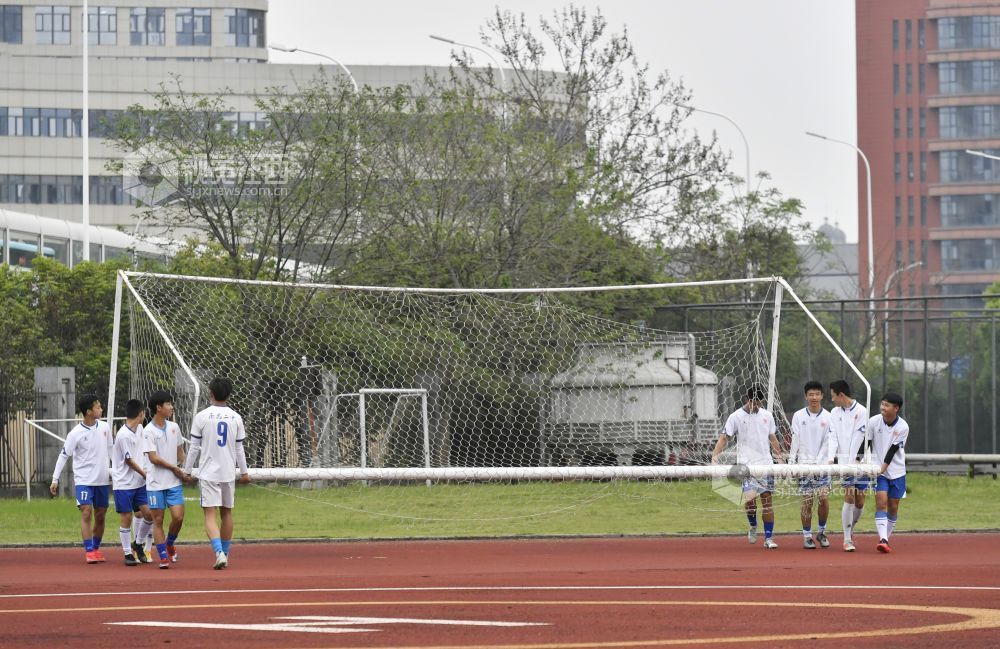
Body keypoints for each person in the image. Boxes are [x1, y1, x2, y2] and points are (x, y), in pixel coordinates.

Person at [183, 377, 250, 569]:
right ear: (229, 395)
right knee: (227, 513)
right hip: (228, 472)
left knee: (210, 515)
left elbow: (194, 448)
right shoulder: (236, 417)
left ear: (211, 393)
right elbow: (239, 449)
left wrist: (187, 471)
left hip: (208, 473)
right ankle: (225, 553)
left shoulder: (202, 416)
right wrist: (244, 472)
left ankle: (219, 552)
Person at [711, 386, 784, 549]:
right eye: (753, 402)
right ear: (747, 399)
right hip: (746, 466)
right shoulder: (735, 416)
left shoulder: (767, 416)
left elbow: (773, 438)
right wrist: (715, 456)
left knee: (767, 501)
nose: (755, 406)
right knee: (750, 500)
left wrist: (779, 457)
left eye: (759, 403)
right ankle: (752, 526)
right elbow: (724, 438)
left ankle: (768, 538)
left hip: (765, 465)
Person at [49, 394, 113, 564]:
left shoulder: (105, 427)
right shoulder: (75, 433)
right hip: (84, 480)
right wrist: (55, 479)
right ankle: (89, 550)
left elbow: (112, 450)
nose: (101, 409)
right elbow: (63, 456)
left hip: (102, 480)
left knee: (101, 515)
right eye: (98, 407)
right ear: (88, 411)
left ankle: (96, 548)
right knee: (86, 511)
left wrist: (116, 471)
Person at [143, 390, 188, 569]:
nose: (172, 407)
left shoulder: (174, 427)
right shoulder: (148, 431)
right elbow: (153, 458)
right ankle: (163, 556)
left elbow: (180, 452)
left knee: (178, 517)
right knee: (158, 520)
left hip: (174, 482)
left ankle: (169, 543)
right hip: (155, 484)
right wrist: (174, 468)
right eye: (168, 404)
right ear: (158, 407)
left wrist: (184, 469)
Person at [826, 379, 871, 552]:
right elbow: (833, 437)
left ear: (841, 395)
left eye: (833, 396)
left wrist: (856, 462)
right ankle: (846, 539)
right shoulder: (834, 413)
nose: (832, 400)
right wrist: (831, 458)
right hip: (845, 465)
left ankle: (851, 530)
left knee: (860, 501)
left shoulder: (862, 411)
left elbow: (861, 440)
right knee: (849, 497)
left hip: (861, 463)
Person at [788, 380, 831, 550]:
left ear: (822, 396)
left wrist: (819, 462)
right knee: (807, 501)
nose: (814, 397)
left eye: (817, 394)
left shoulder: (829, 417)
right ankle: (807, 536)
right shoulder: (799, 416)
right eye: (811, 394)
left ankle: (821, 532)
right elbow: (795, 439)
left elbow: (828, 442)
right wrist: (792, 462)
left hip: (821, 466)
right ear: (806, 396)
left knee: (823, 498)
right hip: (804, 466)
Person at [111, 398, 154, 566]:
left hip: (139, 483)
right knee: (127, 516)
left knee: (149, 514)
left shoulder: (141, 429)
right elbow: (129, 460)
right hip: (124, 483)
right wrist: (145, 473)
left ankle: (138, 543)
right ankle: (128, 553)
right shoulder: (123, 435)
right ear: (141, 413)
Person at [870, 391, 909, 554]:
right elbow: (866, 443)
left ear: (896, 408)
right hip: (879, 471)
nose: (883, 407)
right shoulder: (873, 421)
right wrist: (859, 463)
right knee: (881, 501)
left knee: (893, 507)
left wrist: (883, 468)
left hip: (897, 471)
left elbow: (893, 450)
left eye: (887, 405)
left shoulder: (903, 427)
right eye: (882, 404)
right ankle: (883, 539)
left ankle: (886, 537)